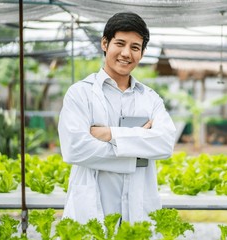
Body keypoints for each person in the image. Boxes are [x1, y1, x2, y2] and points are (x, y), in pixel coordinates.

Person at [58, 12, 176, 224]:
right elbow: (75, 148)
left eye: (135, 47)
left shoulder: (150, 99)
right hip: (92, 210)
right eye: (119, 43)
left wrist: (110, 133)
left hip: (139, 209)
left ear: (142, 52)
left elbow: (165, 144)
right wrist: (138, 148)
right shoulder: (80, 94)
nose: (126, 53)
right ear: (105, 43)